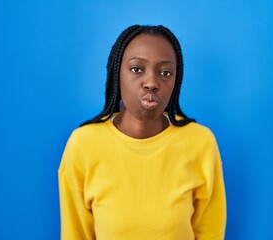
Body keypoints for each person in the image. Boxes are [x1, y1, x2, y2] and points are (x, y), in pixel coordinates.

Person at [58, 24, 226, 240]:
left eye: (165, 73)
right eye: (137, 69)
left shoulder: (200, 143)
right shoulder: (84, 144)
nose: (151, 83)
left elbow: (210, 232)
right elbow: (75, 234)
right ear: (117, 73)